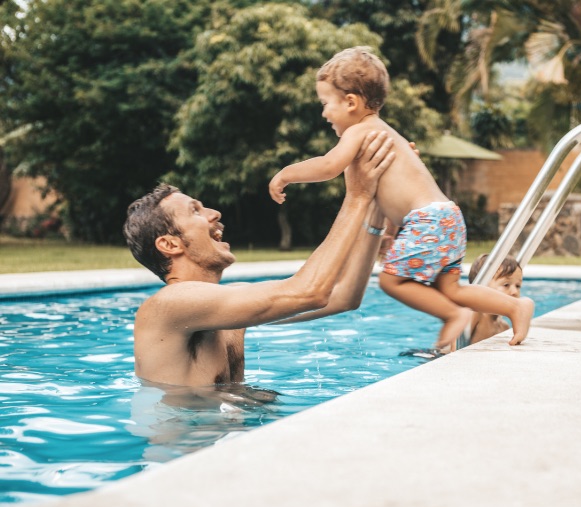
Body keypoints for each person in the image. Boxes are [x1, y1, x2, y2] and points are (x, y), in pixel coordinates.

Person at [268, 46, 534, 349]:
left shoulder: (361, 131)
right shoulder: (388, 135)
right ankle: (515, 307)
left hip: (427, 221)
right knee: (453, 288)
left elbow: (329, 165)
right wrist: (393, 234)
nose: (324, 112)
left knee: (390, 281)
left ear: (351, 102)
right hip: (447, 216)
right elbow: (396, 197)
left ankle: (453, 315)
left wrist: (286, 173)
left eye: (326, 103)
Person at [123, 131, 397, 387]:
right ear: (169, 244)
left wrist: (374, 208)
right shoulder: (166, 307)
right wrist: (358, 195)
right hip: (193, 439)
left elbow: (344, 297)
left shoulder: (228, 304)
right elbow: (309, 292)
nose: (215, 213)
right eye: (195, 211)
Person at [465, 254, 526, 345]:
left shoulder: (504, 327)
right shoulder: (474, 314)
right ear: (483, 288)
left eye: (518, 286)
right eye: (506, 285)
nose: (515, 291)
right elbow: (453, 347)